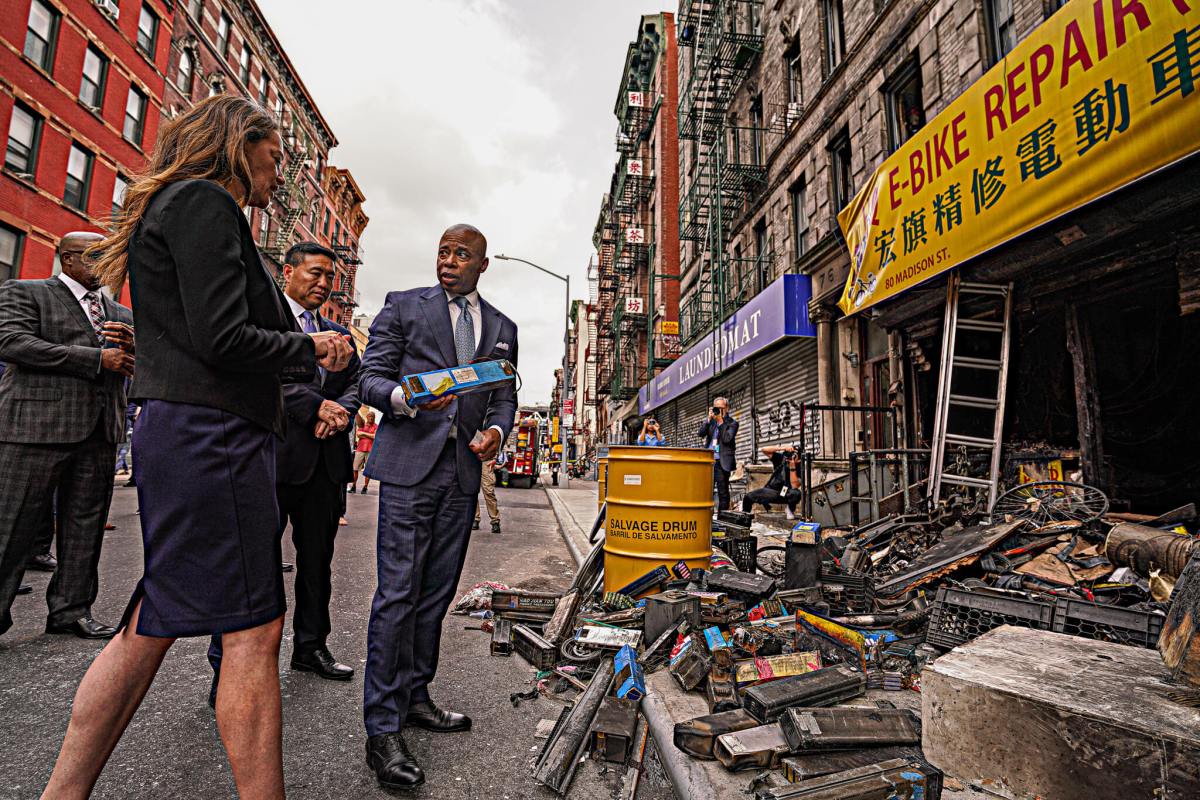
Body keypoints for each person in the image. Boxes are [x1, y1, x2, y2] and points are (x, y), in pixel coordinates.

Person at [41, 95, 354, 799]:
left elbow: (201, 330)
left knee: (150, 623)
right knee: (254, 631)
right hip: (216, 438)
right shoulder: (208, 205)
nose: (278, 178)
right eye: (274, 160)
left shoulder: (177, 206)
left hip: (188, 432)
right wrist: (310, 345)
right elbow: (222, 339)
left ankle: (62, 793)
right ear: (239, 148)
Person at [359, 223, 518, 790]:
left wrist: (497, 431)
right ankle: (382, 728)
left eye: (461, 254)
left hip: (460, 475)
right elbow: (369, 378)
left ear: (481, 264)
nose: (448, 261)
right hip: (407, 469)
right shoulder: (404, 307)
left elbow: (505, 395)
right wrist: (403, 396)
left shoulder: (502, 326)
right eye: (443, 251)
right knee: (397, 593)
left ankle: (415, 695)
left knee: (435, 595)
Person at [0, 231, 134, 640]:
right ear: (68, 259)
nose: (102, 264)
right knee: (11, 527)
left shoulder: (121, 314)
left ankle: (71, 610)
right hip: (34, 429)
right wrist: (96, 358)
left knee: (85, 527)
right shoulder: (26, 293)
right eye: (94, 256)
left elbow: (131, 367)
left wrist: (135, 355)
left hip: (99, 432)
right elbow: (12, 342)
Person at [741, 444, 804, 520]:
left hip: (787, 494)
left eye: (795, 455)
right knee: (748, 497)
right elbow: (764, 449)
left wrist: (792, 467)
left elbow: (794, 486)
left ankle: (790, 509)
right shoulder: (781, 459)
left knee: (796, 493)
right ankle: (744, 518)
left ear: (800, 459)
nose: (792, 457)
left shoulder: (800, 467)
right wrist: (783, 447)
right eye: (791, 454)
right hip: (773, 491)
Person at [698, 396, 739, 511]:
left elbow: (727, 439)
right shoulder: (711, 422)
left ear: (727, 408)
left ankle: (722, 520)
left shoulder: (732, 423)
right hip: (709, 462)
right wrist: (708, 420)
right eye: (716, 408)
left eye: (721, 407)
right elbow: (700, 433)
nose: (719, 410)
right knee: (706, 492)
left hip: (722, 462)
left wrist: (721, 421)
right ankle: (706, 519)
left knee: (723, 492)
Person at [349, 409, 377, 494]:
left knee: (367, 471)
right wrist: (369, 435)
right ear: (367, 417)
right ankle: (353, 486)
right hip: (360, 449)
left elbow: (375, 436)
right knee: (355, 469)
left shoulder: (376, 426)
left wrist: (364, 434)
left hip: (370, 451)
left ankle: (365, 487)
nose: (371, 418)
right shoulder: (362, 425)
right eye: (369, 416)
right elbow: (358, 434)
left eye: (372, 417)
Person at [473, 456, 501, 533]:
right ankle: (475, 519)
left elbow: (499, 444)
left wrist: (495, 459)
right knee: (472, 492)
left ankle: (495, 521)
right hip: (471, 460)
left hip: (486, 460)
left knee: (489, 492)